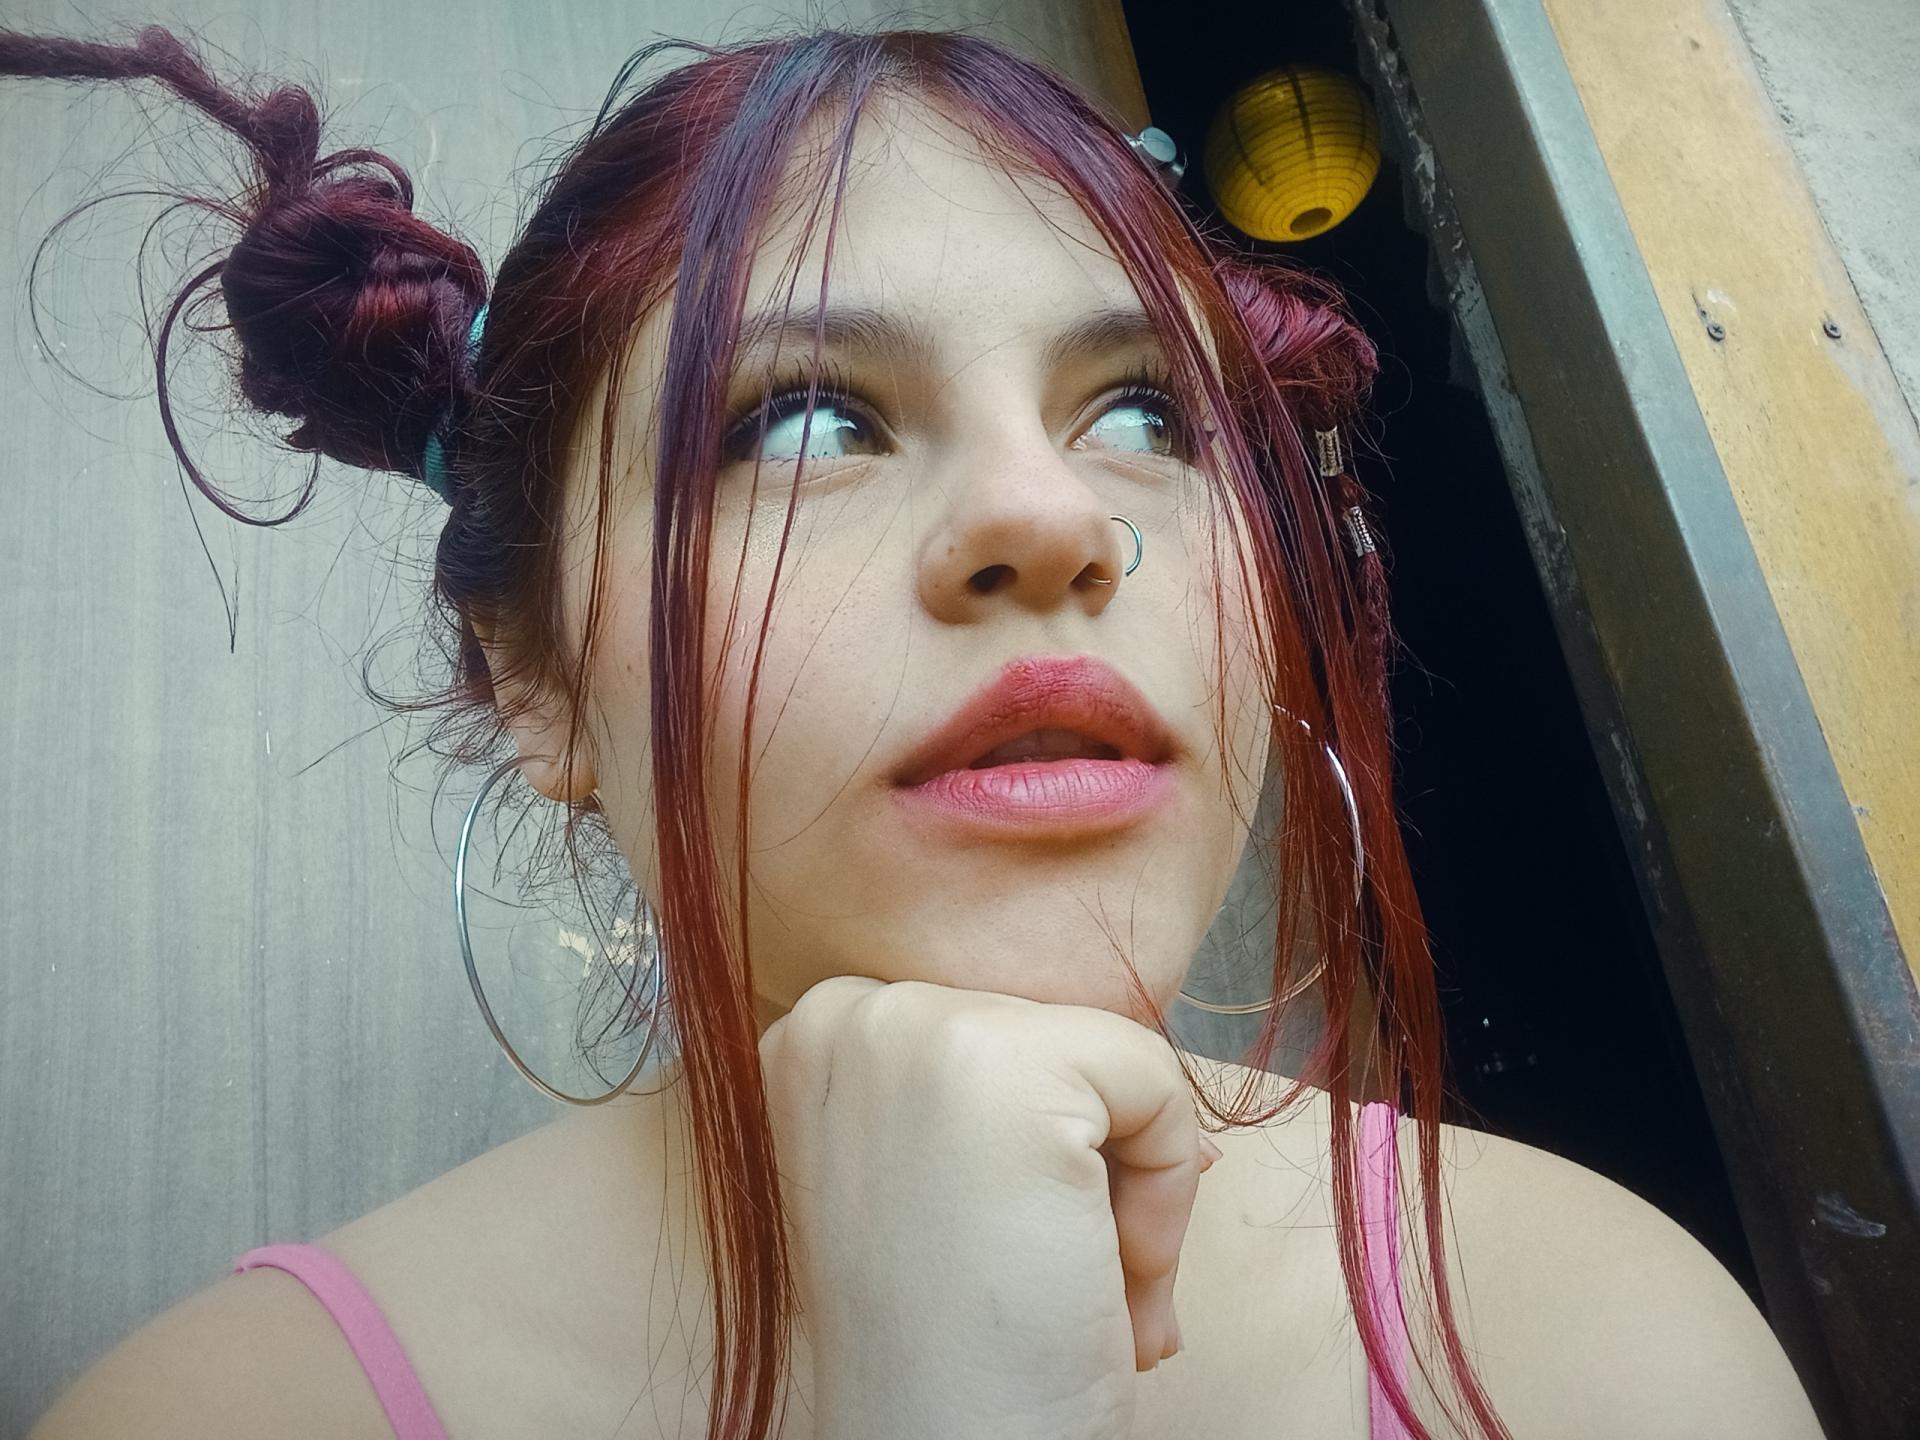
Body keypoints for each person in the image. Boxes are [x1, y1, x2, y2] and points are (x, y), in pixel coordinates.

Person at [6, 21, 1825, 1440]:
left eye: (1144, 416)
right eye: (806, 422)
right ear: (535, 677)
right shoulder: (227, 1413)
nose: (1053, 518)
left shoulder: (1600, 1341)